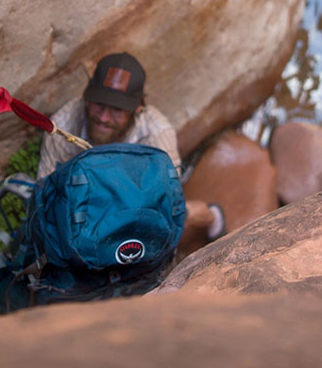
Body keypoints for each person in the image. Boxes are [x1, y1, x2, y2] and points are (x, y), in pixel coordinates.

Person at [38, 52, 225, 241]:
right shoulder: (63, 126)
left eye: (117, 109)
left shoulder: (156, 134)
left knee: (179, 213)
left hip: (137, 201)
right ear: (87, 98)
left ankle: (212, 217)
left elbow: (167, 198)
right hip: (83, 200)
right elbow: (43, 191)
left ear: (137, 109)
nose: (103, 117)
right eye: (99, 103)